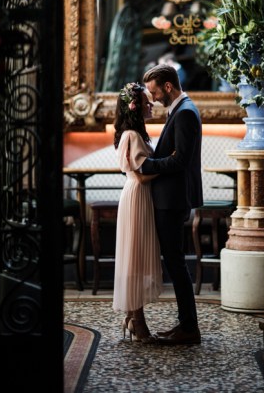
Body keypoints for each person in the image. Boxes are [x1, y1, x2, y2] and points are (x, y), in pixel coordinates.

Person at [141, 63, 203, 345]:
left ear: (168, 86)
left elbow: (181, 160)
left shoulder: (186, 113)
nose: (152, 97)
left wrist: (146, 165)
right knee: (175, 262)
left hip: (173, 199)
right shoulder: (181, 110)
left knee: (176, 263)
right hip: (170, 197)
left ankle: (189, 328)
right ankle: (184, 324)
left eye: (154, 92)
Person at [112, 82, 163, 343]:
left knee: (137, 257)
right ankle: (138, 321)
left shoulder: (135, 133)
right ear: (134, 107)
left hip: (139, 197)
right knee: (135, 259)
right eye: (146, 101)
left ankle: (133, 317)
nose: (151, 104)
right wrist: (171, 165)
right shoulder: (132, 135)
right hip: (137, 196)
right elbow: (142, 177)